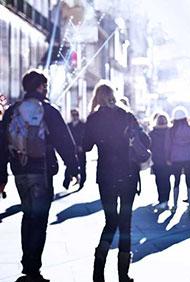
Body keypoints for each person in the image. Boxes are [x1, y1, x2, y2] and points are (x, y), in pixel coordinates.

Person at [0, 69, 79, 282]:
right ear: (41, 87)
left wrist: (2, 175)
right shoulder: (48, 110)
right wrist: (72, 167)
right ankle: (33, 267)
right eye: (45, 86)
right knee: (40, 218)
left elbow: (1, 143)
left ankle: (28, 262)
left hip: (19, 171)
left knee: (28, 215)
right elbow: (64, 141)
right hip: (41, 171)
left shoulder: (12, 111)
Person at [83, 80, 149, 282]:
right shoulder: (126, 116)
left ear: (97, 97)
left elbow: (86, 146)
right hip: (128, 174)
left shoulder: (94, 119)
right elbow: (146, 142)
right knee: (126, 223)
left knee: (110, 221)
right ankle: (123, 274)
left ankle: (98, 271)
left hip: (105, 175)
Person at [167, 106, 190, 213]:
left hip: (176, 158)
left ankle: (175, 205)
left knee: (176, 182)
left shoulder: (171, 130)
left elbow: (168, 145)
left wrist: (168, 157)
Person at [149, 113, 172, 209]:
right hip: (168, 160)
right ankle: (166, 200)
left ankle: (161, 200)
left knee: (159, 180)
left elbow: (149, 146)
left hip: (156, 160)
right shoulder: (170, 131)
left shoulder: (152, 132)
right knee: (167, 180)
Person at [63, 109, 86, 189]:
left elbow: (85, 137)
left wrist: (82, 146)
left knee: (82, 165)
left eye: (76, 114)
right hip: (71, 148)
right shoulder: (68, 125)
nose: (75, 116)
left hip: (80, 148)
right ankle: (67, 182)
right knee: (69, 164)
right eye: (73, 115)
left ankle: (82, 182)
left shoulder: (83, 125)